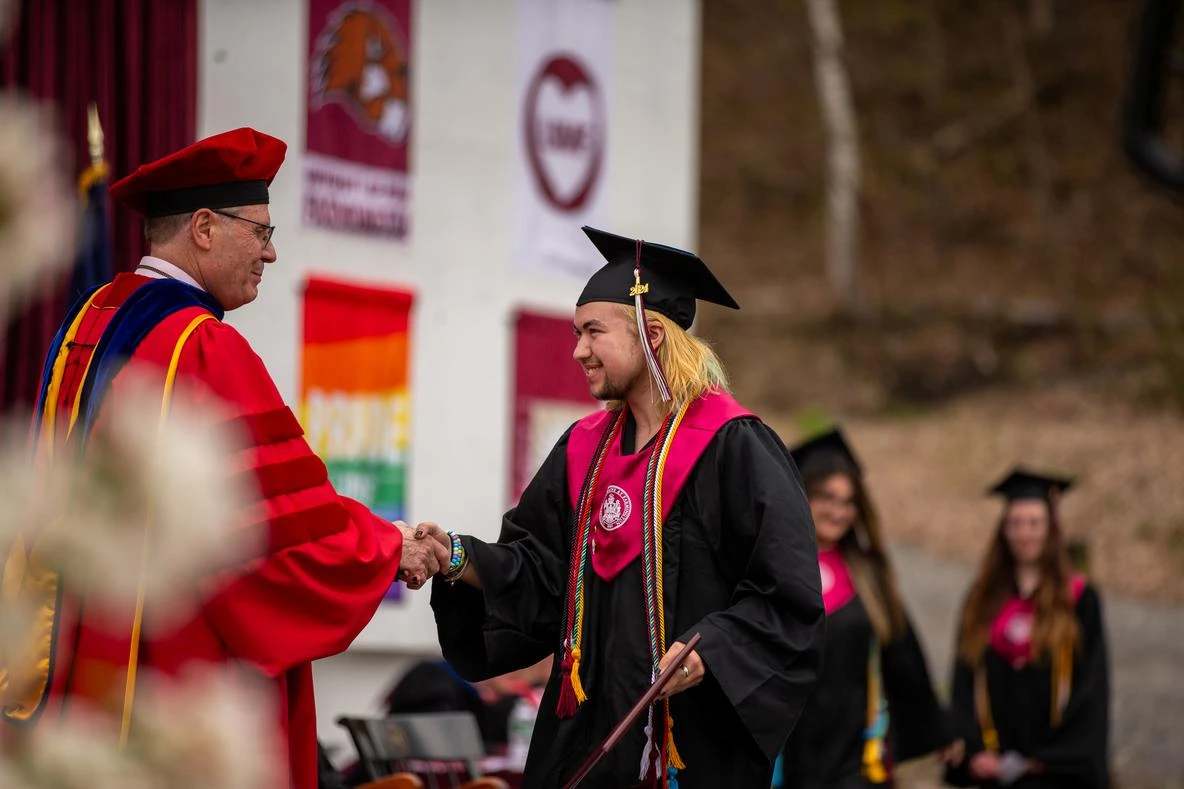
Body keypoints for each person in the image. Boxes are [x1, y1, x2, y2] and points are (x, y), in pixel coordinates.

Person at [0, 128, 447, 789]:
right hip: (170, 676)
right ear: (205, 227)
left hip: (74, 667)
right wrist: (389, 545)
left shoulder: (87, 323)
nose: (269, 252)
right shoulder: (201, 346)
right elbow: (280, 535)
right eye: (260, 231)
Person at [416, 227, 825, 789]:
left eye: (593, 332)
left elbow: (786, 595)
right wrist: (457, 558)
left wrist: (714, 651)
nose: (578, 350)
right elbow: (537, 573)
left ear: (652, 336)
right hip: (584, 741)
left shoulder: (733, 447)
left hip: (688, 749)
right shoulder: (582, 449)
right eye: (576, 333)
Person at [780, 428, 960, 788]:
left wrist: (940, 729)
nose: (838, 511)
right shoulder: (774, 569)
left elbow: (903, 654)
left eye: (848, 502)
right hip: (790, 749)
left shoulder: (867, 574)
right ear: (803, 495)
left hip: (856, 754)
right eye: (827, 497)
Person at [945, 470, 1110, 789]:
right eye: (1015, 523)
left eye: (1034, 523)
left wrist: (1049, 758)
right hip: (995, 771)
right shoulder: (981, 599)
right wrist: (975, 751)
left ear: (1051, 530)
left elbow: (1092, 689)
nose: (1024, 533)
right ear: (1003, 530)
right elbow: (963, 680)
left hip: (1055, 774)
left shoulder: (1079, 600)